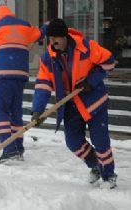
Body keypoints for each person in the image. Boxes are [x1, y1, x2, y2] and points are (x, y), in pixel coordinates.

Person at [31, 18, 117, 188]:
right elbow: (43, 85)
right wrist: (37, 110)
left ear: (65, 37)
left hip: (93, 102)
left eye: (56, 37)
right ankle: (96, 166)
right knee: (73, 142)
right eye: (50, 38)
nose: (52, 42)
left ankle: (108, 175)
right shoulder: (48, 57)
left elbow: (109, 62)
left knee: (101, 142)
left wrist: (90, 81)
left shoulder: (86, 47)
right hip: (69, 104)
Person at [0, 5, 49, 163]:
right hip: (21, 76)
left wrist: (1, 65)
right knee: (15, 112)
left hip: (4, 75)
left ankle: (8, 150)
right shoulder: (24, 25)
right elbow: (39, 34)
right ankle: (18, 149)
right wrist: (46, 26)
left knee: (0, 111)